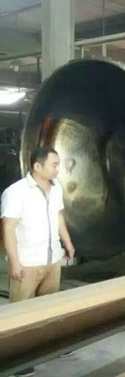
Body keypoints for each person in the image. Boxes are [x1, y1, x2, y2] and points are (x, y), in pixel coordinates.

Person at [1, 146, 75, 377]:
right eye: (54, 164)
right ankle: (18, 358)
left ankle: (50, 347)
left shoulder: (56, 188)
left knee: (49, 307)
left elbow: (58, 216)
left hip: (51, 260)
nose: (58, 169)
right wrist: (15, 262)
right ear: (37, 166)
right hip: (27, 262)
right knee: (21, 312)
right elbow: (8, 228)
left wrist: (67, 242)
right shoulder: (16, 192)